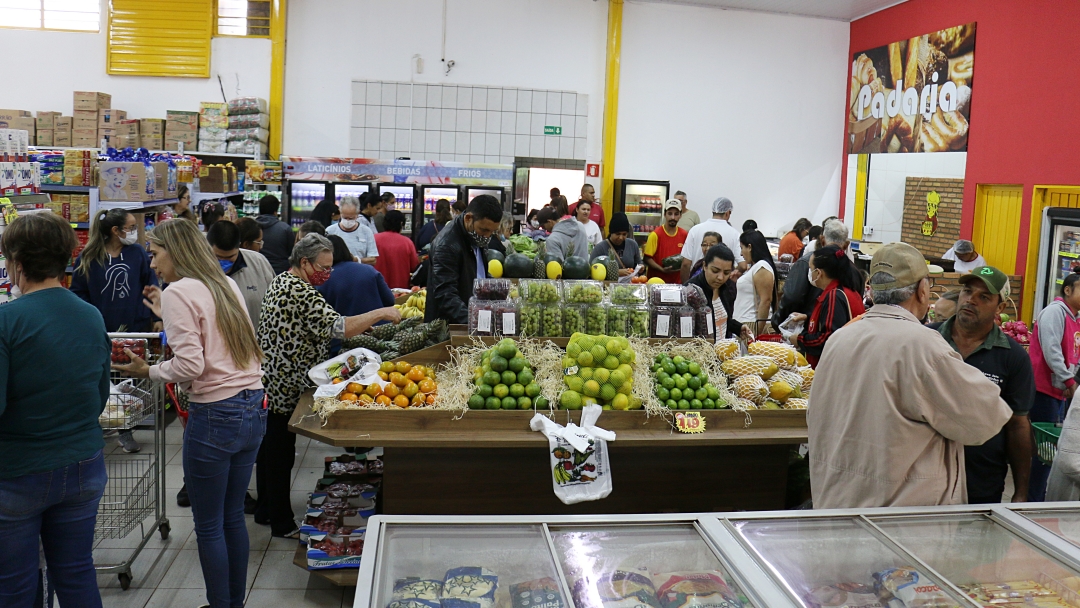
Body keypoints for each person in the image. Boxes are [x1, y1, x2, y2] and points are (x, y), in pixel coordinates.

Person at [113, 218, 264, 608]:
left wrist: (149, 370)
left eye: (156, 253)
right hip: (252, 407)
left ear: (175, 251)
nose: (153, 263)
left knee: (209, 524)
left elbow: (191, 366)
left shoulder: (180, 291)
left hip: (215, 413)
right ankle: (234, 602)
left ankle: (219, 605)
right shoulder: (224, 283)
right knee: (233, 517)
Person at [808, 242, 1013, 509]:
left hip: (835, 505)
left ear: (873, 288)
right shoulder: (924, 346)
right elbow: (984, 418)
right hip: (899, 523)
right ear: (922, 290)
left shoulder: (841, 338)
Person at [256, 234, 400, 537]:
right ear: (304, 262)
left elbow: (321, 324)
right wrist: (381, 312)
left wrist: (362, 322)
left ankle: (266, 509)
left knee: (271, 449)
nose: (327, 274)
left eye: (330, 268)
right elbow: (340, 327)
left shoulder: (283, 280)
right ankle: (280, 522)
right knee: (279, 452)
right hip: (287, 384)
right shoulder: (299, 291)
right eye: (322, 267)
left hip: (272, 379)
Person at [0, 213, 109, 608]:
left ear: (17, 261)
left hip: (17, 472)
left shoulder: (6, 321)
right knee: (77, 571)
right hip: (84, 465)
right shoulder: (89, 313)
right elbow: (98, 396)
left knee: (15, 584)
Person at [928, 267, 1034, 504]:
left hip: (980, 483)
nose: (970, 300)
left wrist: (1020, 492)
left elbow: (1018, 426)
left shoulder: (1013, 357)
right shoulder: (926, 340)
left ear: (1000, 308)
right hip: (924, 478)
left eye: (984, 297)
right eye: (967, 291)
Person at [71, 209, 160, 454]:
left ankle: (125, 429)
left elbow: (150, 284)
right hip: (101, 328)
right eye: (131, 227)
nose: (135, 231)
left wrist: (154, 317)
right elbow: (79, 292)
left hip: (134, 326)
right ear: (115, 231)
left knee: (128, 380)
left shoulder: (138, 254)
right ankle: (99, 426)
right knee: (101, 380)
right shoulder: (88, 257)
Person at [1028, 270, 1080, 501]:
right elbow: (1052, 350)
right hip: (1044, 390)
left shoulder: (1075, 317)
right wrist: (1068, 380)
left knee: (1052, 450)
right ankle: (1033, 499)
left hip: (1061, 391)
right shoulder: (1054, 312)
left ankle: (1041, 496)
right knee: (1043, 451)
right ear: (1068, 290)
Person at [425, 195, 505, 324]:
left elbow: (476, 272)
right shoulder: (446, 245)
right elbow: (445, 294)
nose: (487, 236)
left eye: (492, 232)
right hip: (450, 327)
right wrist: (474, 321)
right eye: (484, 230)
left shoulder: (475, 236)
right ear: (468, 218)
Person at [789, 245, 866, 367]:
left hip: (833, 367)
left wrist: (800, 340)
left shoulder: (834, 295)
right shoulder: (849, 291)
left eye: (811, 269)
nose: (809, 273)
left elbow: (828, 338)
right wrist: (809, 318)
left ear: (819, 273)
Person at [772, 219, 850, 330]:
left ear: (822, 240)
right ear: (846, 244)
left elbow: (792, 297)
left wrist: (777, 322)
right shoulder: (851, 270)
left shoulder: (810, 263)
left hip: (808, 331)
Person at [207, 220, 276, 329]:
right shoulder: (195, 271)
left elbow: (274, 303)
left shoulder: (259, 263)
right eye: (218, 257)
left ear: (239, 246)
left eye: (230, 257)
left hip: (254, 340)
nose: (224, 261)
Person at [320, 235, 396, 318]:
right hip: (378, 326)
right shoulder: (369, 270)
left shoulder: (323, 279)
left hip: (347, 329)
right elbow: (390, 300)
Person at [680, 197, 744, 283]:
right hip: (721, 286)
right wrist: (728, 275)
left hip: (697, 283)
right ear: (727, 213)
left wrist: (686, 285)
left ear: (713, 211)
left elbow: (685, 264)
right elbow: (743, 265)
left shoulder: (695, 230)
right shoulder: (734, 234)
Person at [687, 243, 741, 341]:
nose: (720, 277)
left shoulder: (728, 288)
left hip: (723, 352)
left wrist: (738, 328)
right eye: (715, 271)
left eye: (726, 273)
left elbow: (722, 319)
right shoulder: (691, 292)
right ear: (704, 266)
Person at [733, 230, 777, 337]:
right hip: (745, 323)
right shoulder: (754, 267)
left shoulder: (762, 266)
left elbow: (766, 300)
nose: (740, 253)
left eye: (742, 248)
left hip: (752, 324)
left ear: (750, 247)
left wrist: (757, 332)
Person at [643, 200, 688, 284]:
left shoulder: (684, 234)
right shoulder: (655, 234)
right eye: (670, 213)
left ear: (680, 215)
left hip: (677, 283)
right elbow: (647, 258)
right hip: (657, 283)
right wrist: (662, 270)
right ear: (665, 214)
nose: (673, 217)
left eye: (676, 214)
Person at [374, 210, 420, 289]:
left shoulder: (374, 239)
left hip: (376, 286)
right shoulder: (407, 242)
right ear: (401, 224)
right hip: (400, 289)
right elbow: (414, 267)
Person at [327, 196, 379, 264]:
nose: (348, 221)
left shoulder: (366, 231)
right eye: (345, 217)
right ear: (340, 212)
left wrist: (357, 260)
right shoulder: (330, 231)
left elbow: (373, 260)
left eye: (351, 218)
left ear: (357, 214)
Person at [255, 195, 294, 274]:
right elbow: (292, 253)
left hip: (257, 271)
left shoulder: (250, 227)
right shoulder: (285, 229)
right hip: (280, 273)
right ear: (275, 212)